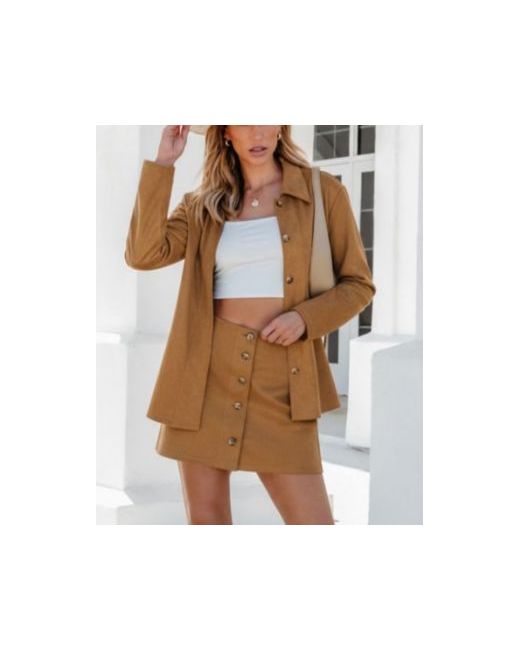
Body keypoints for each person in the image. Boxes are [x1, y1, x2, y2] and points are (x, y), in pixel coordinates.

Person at [124, 125, 376, 524]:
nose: (257, 132)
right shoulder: (202, 205)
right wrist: (164, 164)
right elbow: (143, 253)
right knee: (207, 523)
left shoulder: (322, 193)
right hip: (205, 379)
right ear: (225, 133)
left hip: (284, 380)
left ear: (281, 127)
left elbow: (358, 285)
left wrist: (304, 319)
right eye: (243, 121)